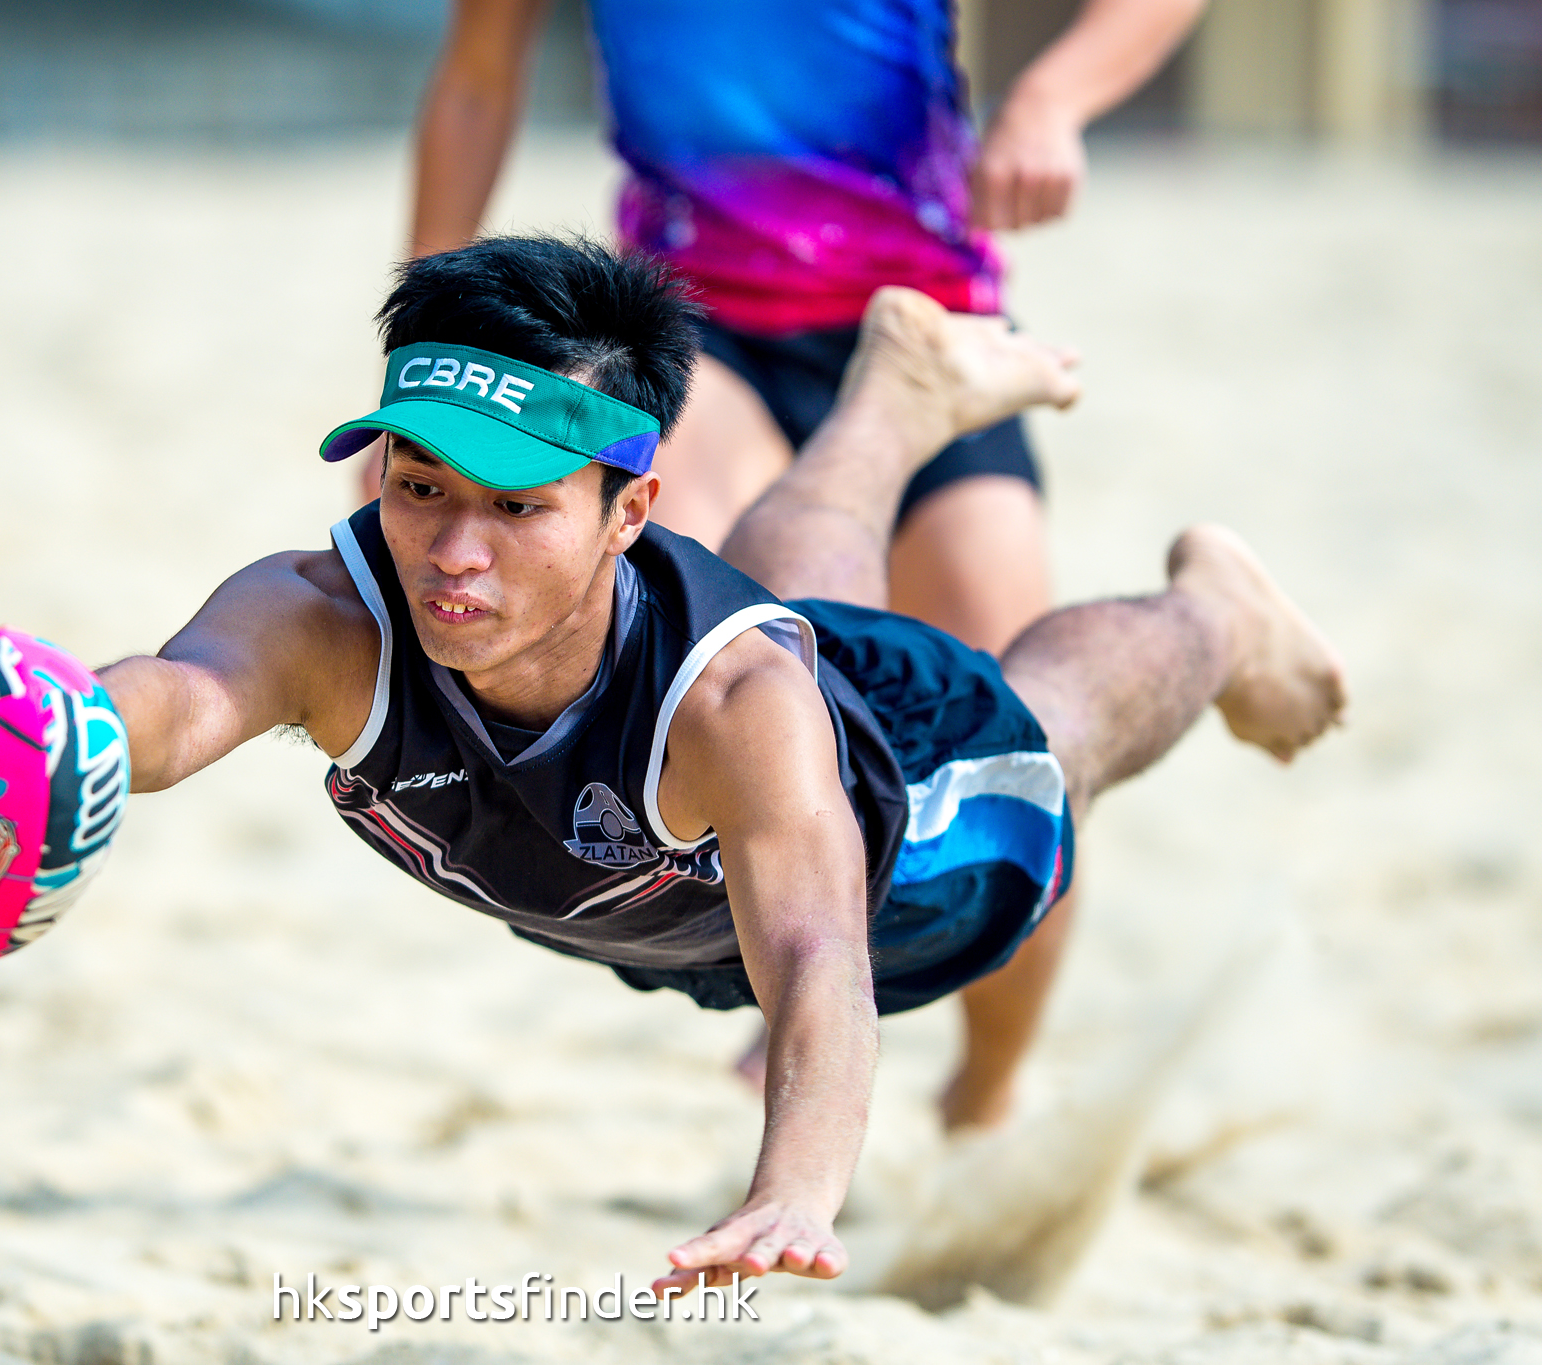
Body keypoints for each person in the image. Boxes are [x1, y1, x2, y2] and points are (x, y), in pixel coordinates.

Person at [103, 236, 1343, 1291]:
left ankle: (1212, 616)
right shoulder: (321, 619)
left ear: (628, 513)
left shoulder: (733, 704)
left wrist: (795, 1189)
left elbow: (813, 955)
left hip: (908, 836)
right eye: (421, 488)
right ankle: (894, 397)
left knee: (1050, 728)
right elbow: (170, 705)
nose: (453, 554)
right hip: (675, 894)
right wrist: (40, 730)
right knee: (803, 594)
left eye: (518, 506)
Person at [387, 0, 1210, 1126]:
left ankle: (986, 1083)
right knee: (709, 630)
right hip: (693, 328)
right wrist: (432, 400)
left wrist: (1050, 99)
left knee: (1015, 745)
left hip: (925, 314)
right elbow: (479, 76)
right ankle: (799, 947)